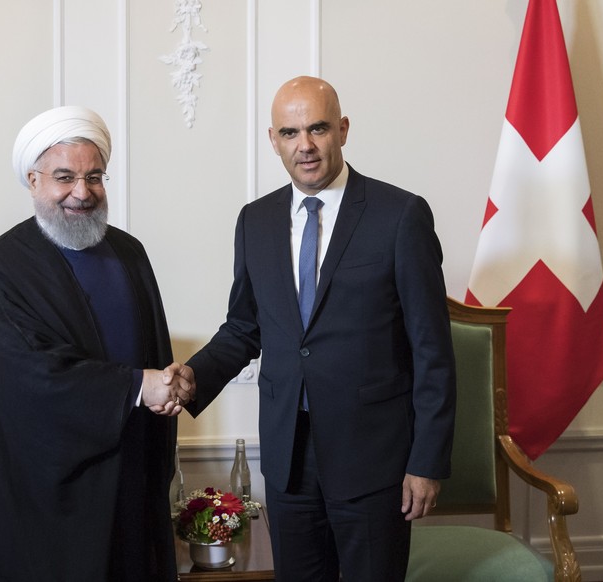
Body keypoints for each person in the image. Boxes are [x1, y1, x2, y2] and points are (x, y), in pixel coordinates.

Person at [173, 76, 457, 581]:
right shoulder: (254, 221)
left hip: (374, 462)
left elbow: (432, 350)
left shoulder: (400, 216)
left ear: (343, 130)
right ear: (273, 140)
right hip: (288, 460)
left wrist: (427, 461)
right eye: (289, 132)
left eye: (318, 129)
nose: (304, 145)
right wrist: (193, 377)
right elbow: (244, 326)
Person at [0, 106, 193, 581]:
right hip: (44, 494)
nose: (82, 193)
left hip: (129, 476)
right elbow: (28, 377)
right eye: (65, 177)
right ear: (33, 180)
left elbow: (152, 350)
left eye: (94, 177)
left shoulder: (129, 252)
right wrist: (136, 387)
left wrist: (170, 381)